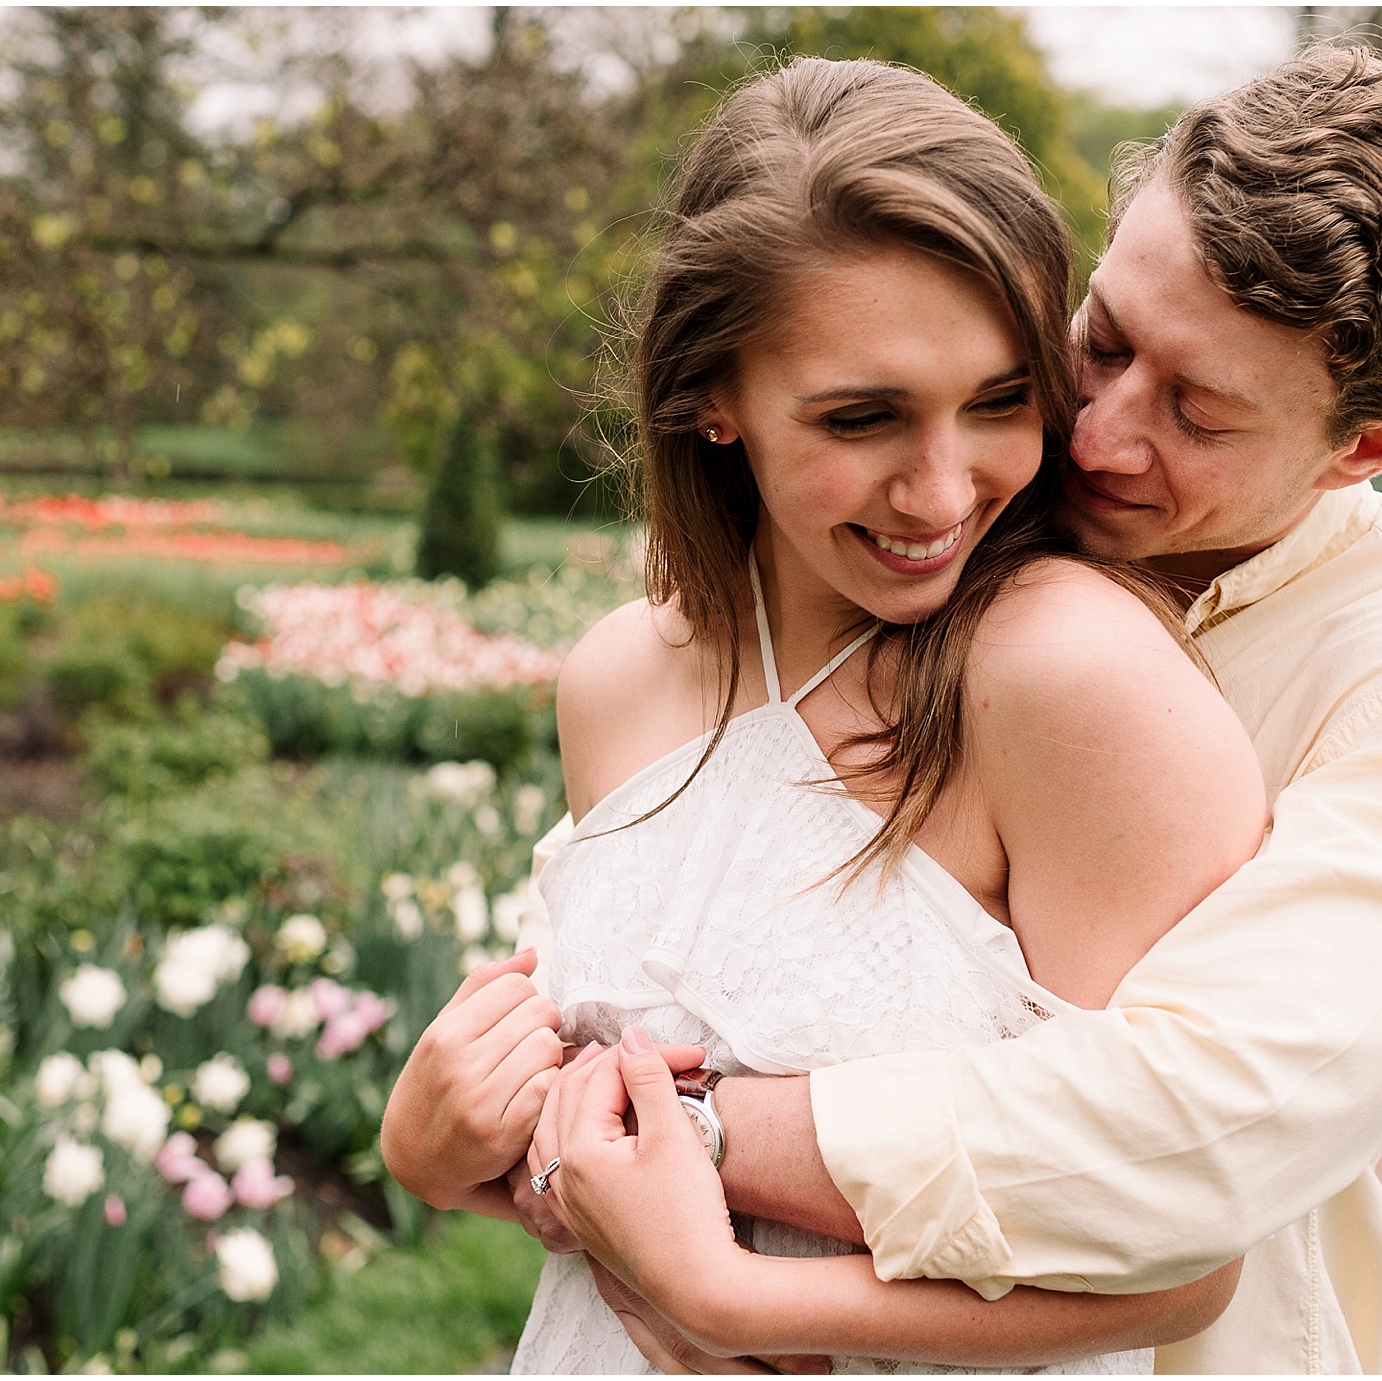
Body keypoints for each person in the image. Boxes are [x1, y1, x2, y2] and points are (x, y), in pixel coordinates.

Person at [520, 43, 1382, 1375]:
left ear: (1369, 448)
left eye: (1198, 413)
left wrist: (678, 1143)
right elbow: (671, 887)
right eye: (1100, 341)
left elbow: (1188, 1132)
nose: (1096, 434)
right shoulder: (943, 529)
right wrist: (485, 1107)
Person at [382, 55, 1273, 1372]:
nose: (940, 489)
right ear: (712, 399)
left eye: (1000, 401)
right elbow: (610, 1167)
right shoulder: (620, 679)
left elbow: (1183, 1254)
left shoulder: (1070, 681)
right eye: (863, 418)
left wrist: (728, 1298)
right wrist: (436, 1148)